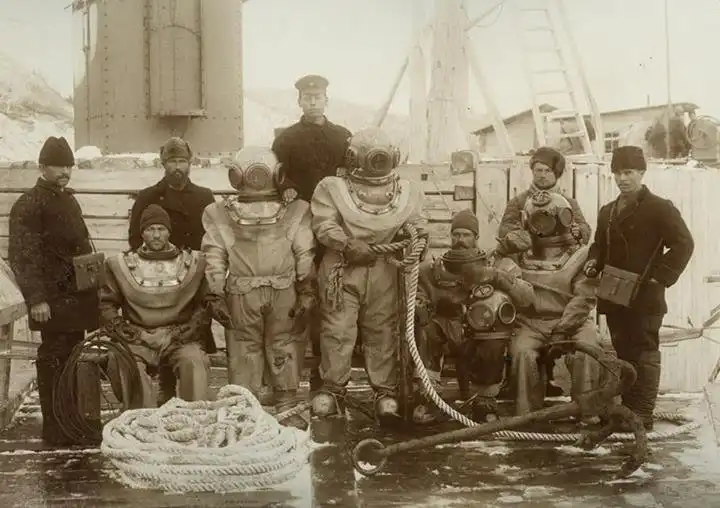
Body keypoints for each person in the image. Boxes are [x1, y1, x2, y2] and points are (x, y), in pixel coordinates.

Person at [309, 127, 426, 425]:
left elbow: (417, 223)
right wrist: (346, 244)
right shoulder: (332, 188)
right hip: (342, 269)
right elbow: (324, 224)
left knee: (382, 329)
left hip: (385, 269)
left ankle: (384, 391)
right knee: (338, 329)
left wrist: (418, 239)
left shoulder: (407, 191)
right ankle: (333, 388)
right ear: (353, 157)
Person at [201, 147, 316, 429]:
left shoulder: (294, 210)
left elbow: (215, 256)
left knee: (269, 344)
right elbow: (304, 254)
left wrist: (306, 289)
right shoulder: (293, 211)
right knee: (262, 345)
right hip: (266, 289)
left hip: (258, 291)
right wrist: (215, 294)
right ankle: (250, 405)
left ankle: (275, 405)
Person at [584, 146, 694, 430]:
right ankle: (627, 410)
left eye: (629, 172)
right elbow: (599, 246)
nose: (623, 179)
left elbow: (684, 244)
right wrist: (593, 263)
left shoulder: (660, 208)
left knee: (644, 351)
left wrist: (660, 277)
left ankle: (642, 413)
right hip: (615, 294)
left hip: (646, 296)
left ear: (642, 172)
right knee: (623, 351)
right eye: (618, 173)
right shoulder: (607, 212)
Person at [8, 136, 100, 446]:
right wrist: (37, 299)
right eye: (59, 166)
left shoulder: (69, 200)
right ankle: (55, 428)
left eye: (69, 166)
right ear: (42, 167)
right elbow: (23, 256)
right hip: (51, 299)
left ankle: (71, 422)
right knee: (53, 360)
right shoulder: (28, 204)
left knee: (72, 357)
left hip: (75, 297)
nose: (65, 172)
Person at [413, 210, 534, 423]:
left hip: (482, 332)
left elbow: (527, 298)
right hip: (447, 331)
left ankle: (484, 401)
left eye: (466, 235)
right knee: (427, 330)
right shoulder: (432, 270)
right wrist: (423, 306)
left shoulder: (496, 265)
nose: (460, 240)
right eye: (456, 234)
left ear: (476, 237)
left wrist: (498, 277)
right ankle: (430, 396)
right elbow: (419, 297)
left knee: (494, 340)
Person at [272, 74, 353, 391]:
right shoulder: (287, 140)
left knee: (332, 297)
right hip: (301, 227)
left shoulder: (342, 137)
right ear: (299, 101)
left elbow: (355, 174)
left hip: (334, 228)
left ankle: (326, 371)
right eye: (307, 97)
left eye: (318, 97)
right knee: (302, 293)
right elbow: (277, 174)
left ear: (326, 100)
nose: (313, 101)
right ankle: (291, 372)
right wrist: (287, 189)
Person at [127, 137, 217, 404]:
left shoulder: (204, 197)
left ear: (190, 163)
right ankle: (164, 387)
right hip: (158, 277)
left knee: (191, 332)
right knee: (159, 324)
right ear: (163, 163)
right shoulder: (148, 197)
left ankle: (190, 392)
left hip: (193, 278)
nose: (177, 167)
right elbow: (135, 238)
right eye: (172, 161)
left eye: (182, 161)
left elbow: (214, 236)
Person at [498, 190, 602, 417]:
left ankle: (587, 412)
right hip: (531, 322)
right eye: (537, 220)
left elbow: (584, 297)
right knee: (522, 354)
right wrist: (501, 250)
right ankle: (527, 415)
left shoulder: (581, 255)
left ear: (564, 218)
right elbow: (495, 275)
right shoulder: (518, 254)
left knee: (587, 351)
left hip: (574, 322)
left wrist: (564, 329)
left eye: (546, 219)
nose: (541, 225)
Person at [101, 205, 214, 408]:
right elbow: (107, 303)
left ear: (169, 232)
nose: (155, 235)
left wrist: (194, 326)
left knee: (194, 362)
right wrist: (120, 328)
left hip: (178, 336)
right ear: (142, 233)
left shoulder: (193, 263)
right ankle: (141, 417)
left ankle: (194, 415)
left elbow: (205, 302)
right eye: (150, 229)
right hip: (138, 337)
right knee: (127, 364)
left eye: (161, 229)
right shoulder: (121, 265)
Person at [497, 146, 591, 251]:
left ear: (557, 174)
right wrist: (517, 235)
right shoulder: (519, 201)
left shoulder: (568, 203)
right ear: (533, 171)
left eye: (548, 171)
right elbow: (504, 229)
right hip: (526, 254)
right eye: (539, 170)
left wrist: (579, 231)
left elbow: (584, 227)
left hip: (561, 253)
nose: (543, 175)